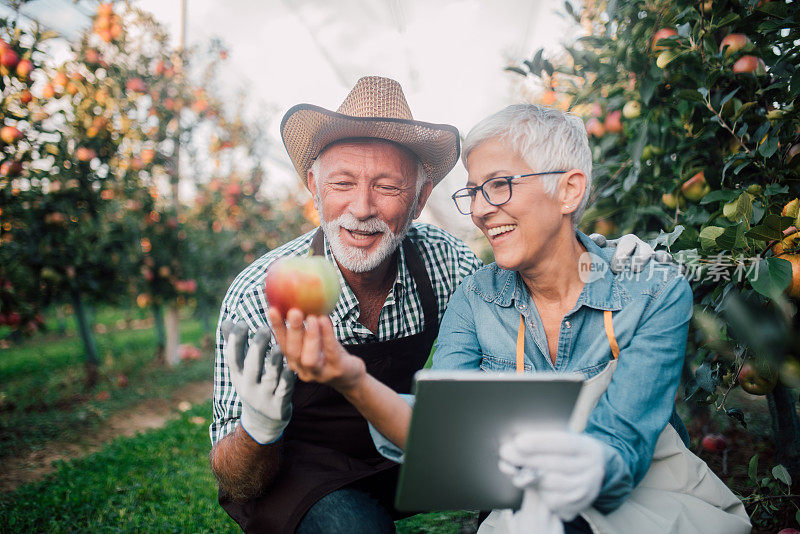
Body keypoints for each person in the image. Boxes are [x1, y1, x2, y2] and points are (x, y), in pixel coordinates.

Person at [265, 104, 752, 533]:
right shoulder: (476, 296)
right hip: (528, 501)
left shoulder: (652, 289)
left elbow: (622, 445)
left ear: (569, 191)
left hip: (641, 499)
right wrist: (352, 380)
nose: (479, 210)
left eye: (498, 187)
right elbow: (437, 428)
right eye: (473, 191)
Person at [210, 77, 658, 534]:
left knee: (526, 488)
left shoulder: (444, 262)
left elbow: (528, 279)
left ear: (420, 199)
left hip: (407, 451)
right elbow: (235, 479)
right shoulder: (259, 294)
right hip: (305, 473)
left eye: (388, 187)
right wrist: (259, 426)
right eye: (343, 182)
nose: (362, 207)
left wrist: (593, 255)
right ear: (315, 187)